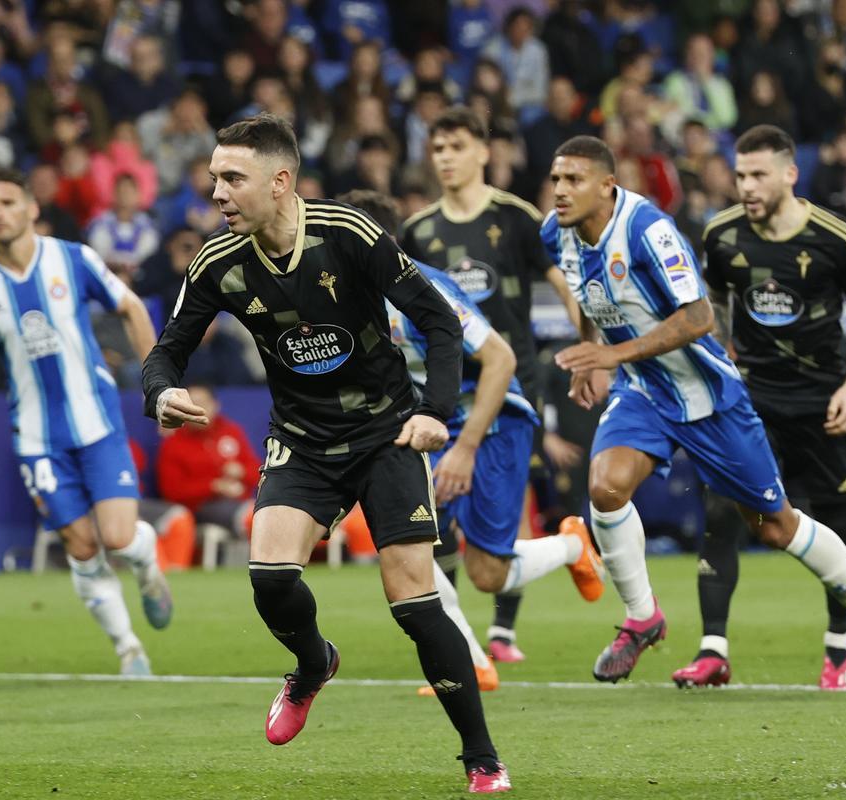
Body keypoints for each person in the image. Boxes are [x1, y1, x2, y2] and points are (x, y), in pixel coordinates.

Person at [141, 114, 510, 793]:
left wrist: (436, 413)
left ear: (279, 182)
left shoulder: (350, 235)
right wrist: (161, 393)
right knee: (271, 579)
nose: (216, 192)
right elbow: (167, 351)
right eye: (214, 177)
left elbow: (436, 321)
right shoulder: (217, 262)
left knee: (415, 604)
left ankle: (482, 758)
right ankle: (314, 666)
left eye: (232, 178)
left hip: (387, 433)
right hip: (303, 441)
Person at [543, 134, 846, 702]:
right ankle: (643, 617)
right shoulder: (558, 234)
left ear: (607, 185)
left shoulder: (648, 230)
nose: (559, 192)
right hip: (645, 389)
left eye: (573, 180)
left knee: (777, 527)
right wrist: (587, 353)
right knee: (604, 487)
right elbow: (589, 293)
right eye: (555, 180)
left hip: (707, 397)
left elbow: (698, 317)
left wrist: (610, 354)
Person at [342, 188, 604, 695]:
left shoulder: (425, 289)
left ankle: (573, 545)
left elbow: (501, 359)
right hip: (422, 429)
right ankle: (472, 661)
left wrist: (464, 448)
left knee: (489, 573)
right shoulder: (344, 296)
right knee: (404, 547)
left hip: (493, 422)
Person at [0, 168, 173, 676]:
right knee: (81, 545)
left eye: (7, 203)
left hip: (97, 422)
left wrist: (157, 385)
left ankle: (148, 569)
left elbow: (131, 307)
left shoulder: (72, 258)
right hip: (38, 440)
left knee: (119, 537)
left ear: (31, 208)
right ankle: (129, 650)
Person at [689, 124, 846, 690]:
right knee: (723, 508)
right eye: (740, 174)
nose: (745, 185)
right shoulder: (721, 235)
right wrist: (722, 352)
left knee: (835, 516)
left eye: (757, 175)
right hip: (751, 396)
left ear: (789, 174)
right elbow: (717, 298)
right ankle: (713, 649)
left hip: (822, 397)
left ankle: (839, 646)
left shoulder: (836, 238)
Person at [400, 106, 582, 664]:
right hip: (441, 397)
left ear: (483, 150)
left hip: (509, 386)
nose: (447, 159)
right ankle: (465, 650)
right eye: (438, 149)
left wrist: (594, 354)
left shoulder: (518, 217)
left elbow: (564, 281)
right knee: (422, 523)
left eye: (457, 146)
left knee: (502, 518)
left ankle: (502, 629)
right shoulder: (419, 231)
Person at [156, 382, 261, 540]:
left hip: (241, 501)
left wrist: (241, 472)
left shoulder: (231, 430)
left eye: (202, 403)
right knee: (255, 517)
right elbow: (172, 492)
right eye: (190, 404)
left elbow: (258, 473)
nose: (196, 409)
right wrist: (214, 486)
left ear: (215, 405)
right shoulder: (174, 443)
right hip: (199, 509)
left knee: (269, 512)